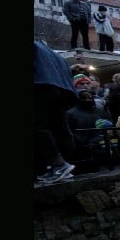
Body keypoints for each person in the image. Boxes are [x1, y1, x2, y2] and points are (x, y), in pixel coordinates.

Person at [34, 41, 79, 183]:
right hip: (62, 88)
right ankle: (63, 165)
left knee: (37, 126)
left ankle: (58, 165)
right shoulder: (48, 51)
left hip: (39, 84)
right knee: (59, 125)